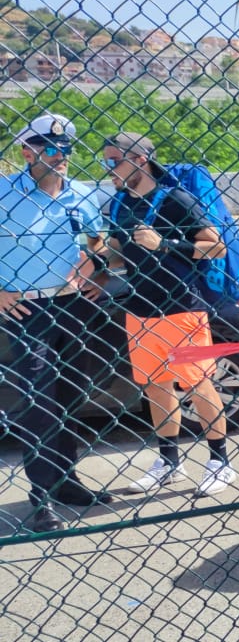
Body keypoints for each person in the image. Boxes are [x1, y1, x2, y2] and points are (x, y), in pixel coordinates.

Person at [102, 132, 235, 497]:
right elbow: (118, 254)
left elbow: (216, 247)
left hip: (182, 309)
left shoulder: (176, 199)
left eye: (114, 161)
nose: (108, 169)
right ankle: (169, 462)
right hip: (141, 310)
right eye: (106, 162)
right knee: (156, 387)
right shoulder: (118, 204)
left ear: (140, 160)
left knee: (197, 384)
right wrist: (96, 261)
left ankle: (219, 461)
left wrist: (167, 244)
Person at [0, 113, 112, 533]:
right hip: (26, 311)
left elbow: (98, 244)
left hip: (73, 306)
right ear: (27, 152)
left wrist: (96, 270)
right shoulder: (4, 192)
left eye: (66, 149)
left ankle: (65, 481)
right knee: (38, 401)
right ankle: (40, 494)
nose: (60, 155)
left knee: (71, 395)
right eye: (50, 148)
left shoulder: (82, 194)